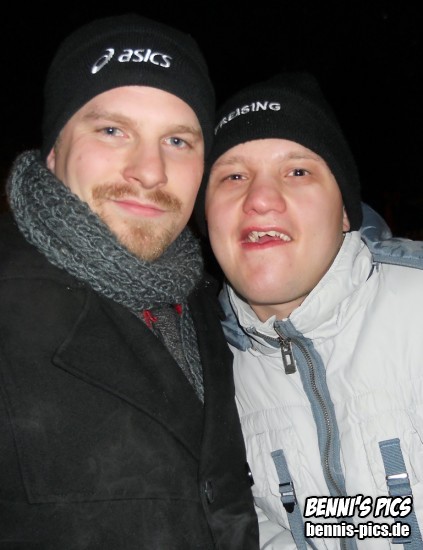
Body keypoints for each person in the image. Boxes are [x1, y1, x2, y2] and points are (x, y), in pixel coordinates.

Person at [0, 13, 259, 549]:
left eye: (178, 141)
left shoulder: (213, 306)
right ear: (54, 150)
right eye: (113, 131)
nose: (150, 170)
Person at [203, 71, 423, 549]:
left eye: (298, 171)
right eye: (234, 176)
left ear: (344, 211)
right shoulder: (206, 372)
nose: (260, 199)